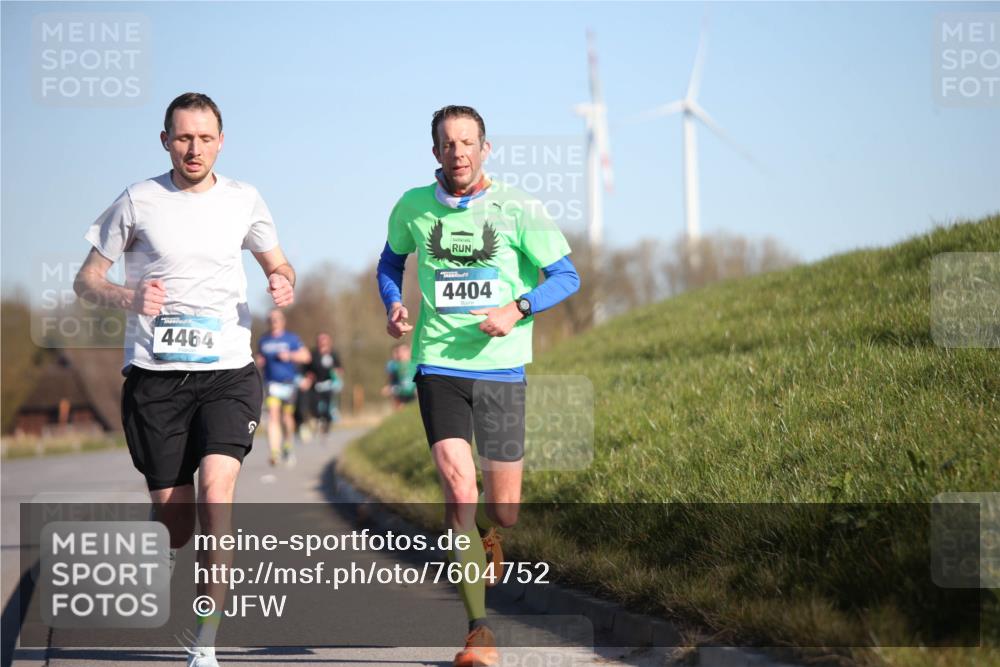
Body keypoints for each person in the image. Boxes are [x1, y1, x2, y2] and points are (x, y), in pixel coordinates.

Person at [73, 92, 296, 667]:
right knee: (176, 522)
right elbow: (85, 281)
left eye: (204, 137)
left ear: (221, 141)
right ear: (165, 140)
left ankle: (205, 644)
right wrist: (127, 294)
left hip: (227, 372)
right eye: (182, 137)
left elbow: (278, 262)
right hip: (156, 378)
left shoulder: (245, 199)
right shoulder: (138, 201)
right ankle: (166, 536)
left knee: (217, 498)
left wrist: (282, 282)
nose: (193, 148)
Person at [376, 105, 580, 667]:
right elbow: (390, 263)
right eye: (448, 143)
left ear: (484, 148)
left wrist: (517, 308)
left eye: (469, 143)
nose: (459, 152)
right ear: (435, 151)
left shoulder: (517, 207)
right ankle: (478, 632)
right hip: (438, 365)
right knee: (460, 491)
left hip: (502, 367)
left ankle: (491, 531)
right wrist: (394, 303)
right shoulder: (413, 206)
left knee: (504, 509)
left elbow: (566, 275)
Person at [256, 309, 310, 466]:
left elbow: (306, 356)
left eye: (276, 319)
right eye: (271, 319)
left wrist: (290, 355)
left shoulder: (291, 339)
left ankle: (287, 444)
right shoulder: (263, 340)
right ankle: (274, 452)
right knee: (273, 416)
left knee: (287, 418)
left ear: (283, 321)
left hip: (288, 384)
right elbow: (260, 357)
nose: (274, 322)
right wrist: (259, 361)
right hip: (271, 383)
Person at [303, 332, 344, 433]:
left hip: (329, 384)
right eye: (320, 340)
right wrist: (308, 375)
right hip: (316, 384)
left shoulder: (333, 354)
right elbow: (306, 369)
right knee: (315, 405)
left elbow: (340, 369)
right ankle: (318, 419)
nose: (323, 342)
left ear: (329, 342)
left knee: (328, 405)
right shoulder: (313, 354)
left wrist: (337, 373)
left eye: (325, 340)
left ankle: (327, 424)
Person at [382, 342, 417, 409]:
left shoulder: (415, 363)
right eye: (399, 351)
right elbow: (391, 380)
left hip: (414, 392)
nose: (401, 353)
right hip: (400, 392)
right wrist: (389, 387)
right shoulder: (393, 365)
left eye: (404, 350)